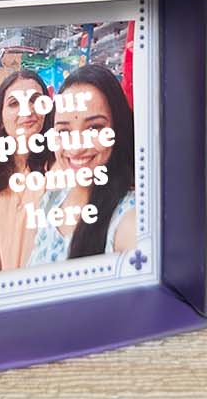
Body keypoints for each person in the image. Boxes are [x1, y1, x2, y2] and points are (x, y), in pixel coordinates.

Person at [28, 63, 136, 264]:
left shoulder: (129, 219)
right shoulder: (49, 201)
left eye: (94, 128)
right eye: (64, 131)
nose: (76, 147)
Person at [0, 71, 54, 273]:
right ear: (0, 118)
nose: (27, 110)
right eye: (14, 103)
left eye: (35, 100)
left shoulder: (61, 168)